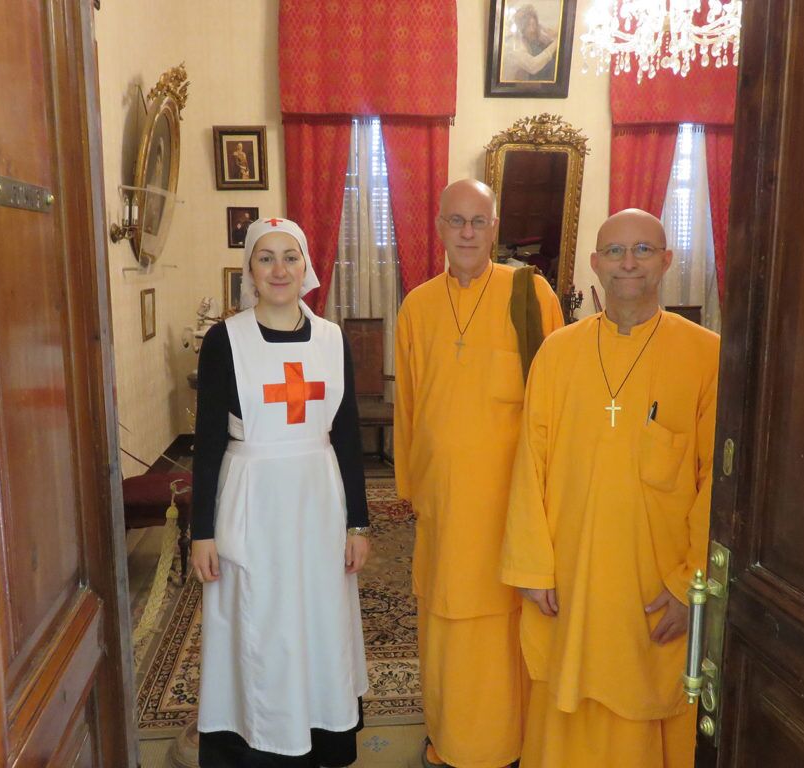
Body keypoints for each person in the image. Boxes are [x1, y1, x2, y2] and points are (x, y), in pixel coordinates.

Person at [501, 209, 720, 768]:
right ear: (595, 264)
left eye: (643, 250)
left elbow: (714, 483)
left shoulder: (706, 354)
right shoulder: (558, 352)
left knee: (642, 701)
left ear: (667, 260)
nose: (629, 263)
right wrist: (531, 568)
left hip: (653, 582)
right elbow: (531, 464)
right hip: (569, 575)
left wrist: (687, 587)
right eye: (616, 252)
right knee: (564, 702)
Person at [395, 179, 564, 768]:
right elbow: (409, 406)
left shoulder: (529, 293)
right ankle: (449, 739)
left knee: (503, 632)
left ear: (494, 228)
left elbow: (553, 403)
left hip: (508, 505)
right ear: (439, 227)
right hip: (443, 504)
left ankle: (505, 745)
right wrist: (414, 490)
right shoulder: (416, 305)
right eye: (456, 221)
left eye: (478, 221)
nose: (467, 232)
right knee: (443, 623)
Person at [191, 217, 371, 768]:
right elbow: (206, 439)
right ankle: (258, 741)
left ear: (306, 266)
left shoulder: (331, 339)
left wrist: (358, 523)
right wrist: (203, 532)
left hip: (318, 501)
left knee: (318, 616)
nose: (279, 269)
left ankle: (320, 733)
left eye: (289, 257)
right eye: (265, 258)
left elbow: (346, 434)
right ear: (249, 270)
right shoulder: (226, 339)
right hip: (252, 501)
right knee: (258, 618)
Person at [500, 4, 558, 82]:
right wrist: (555, 44)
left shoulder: (529, 36)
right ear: (521, 26)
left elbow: (548, 31)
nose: (532, 30)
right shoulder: (516, 45)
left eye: (533, 25)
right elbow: (533, 66)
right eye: (528, 26)